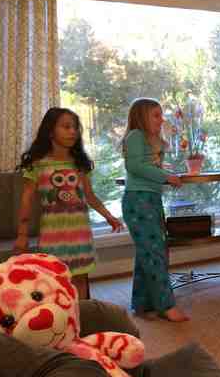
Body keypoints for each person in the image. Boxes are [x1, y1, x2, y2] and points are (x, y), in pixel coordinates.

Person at [15, 107, 122, 299]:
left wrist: (109, 217)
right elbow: (26, 199)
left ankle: (81, 315)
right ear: (50, 131)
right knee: (54, 282)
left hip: (80, 235)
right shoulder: (37, 165)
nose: (72, 132)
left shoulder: (79, 164)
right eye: (66, 127)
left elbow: (90, 196)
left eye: (75, 128)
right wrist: (22, 234)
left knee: (80, 280)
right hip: (52, 237)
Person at [121, 97, 189, 322]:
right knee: (154, 253)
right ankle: (165, 304)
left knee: (148, 252)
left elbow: (149, 167)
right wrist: (165, 177)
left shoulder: (153, 140)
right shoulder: (135, 136)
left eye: (162, 115)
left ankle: (142, 303)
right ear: (142, 117)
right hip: (138, 200)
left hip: (151, 199)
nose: (162, 119)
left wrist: (165, 174)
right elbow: (135, 166)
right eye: (156, 115)